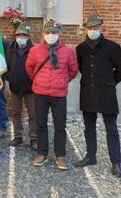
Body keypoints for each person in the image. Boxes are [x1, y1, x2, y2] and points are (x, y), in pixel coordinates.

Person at [74, 15, 121, 178]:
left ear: (101, 29)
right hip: (88, 92)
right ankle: (91, 156)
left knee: (111, 128)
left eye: (96, 28)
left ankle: (116, 163)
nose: (93, 31)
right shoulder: (81, 48)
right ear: (85, 30)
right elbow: (81, 68)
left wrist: (109, 82)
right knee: (89, 127)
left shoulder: (113, 47)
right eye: (90, 29)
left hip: (107, 93)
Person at [26, 19, 78, 170]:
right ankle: (42, 153)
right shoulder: (35, 51)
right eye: (48, 33)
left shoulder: (67, 52)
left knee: (60, 125)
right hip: (40, 94)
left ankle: (60, 155)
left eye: (54, 33)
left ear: (58, 34)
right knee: (40, 124)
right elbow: (29, 69)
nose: (51, 35)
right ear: (43, 34)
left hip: (59, 95)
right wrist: (38, 81)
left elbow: (73, 71)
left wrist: (62, 81)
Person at [4, 24, 36, 150]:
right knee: (16, 112)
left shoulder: (33, 50)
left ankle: (34, 138)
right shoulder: (10, 50)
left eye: (23, 35)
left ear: (28, 37)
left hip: (30, 88)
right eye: (19, 35)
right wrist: (9, 77)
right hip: (15, 87)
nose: (21, 38)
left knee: (33, 114)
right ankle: (18, 136)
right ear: (15, 37)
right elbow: (6, 66)